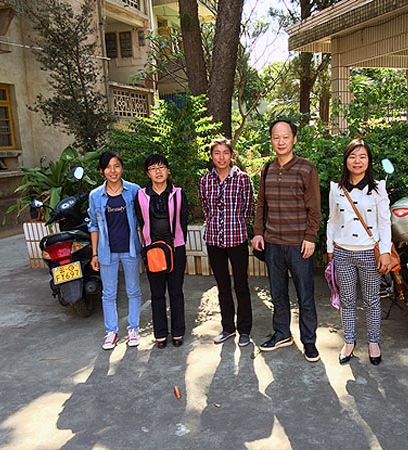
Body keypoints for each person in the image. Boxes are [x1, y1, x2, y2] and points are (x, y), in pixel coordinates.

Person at [251, 119, 322, 362]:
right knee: (277, 293)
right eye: (276, 137)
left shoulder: (306, 168)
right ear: (271, 140)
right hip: (273, 243)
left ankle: (309, 341)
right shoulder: (267, 169)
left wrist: (310, 237)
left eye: (285, 137)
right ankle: (282, 334)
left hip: (299, 245)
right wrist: (258, 232)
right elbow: (261, 204)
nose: (280, 142)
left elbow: (314, 208)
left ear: (294, 139)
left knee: (305, 295)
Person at [326, 139, 393, 366]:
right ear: (346, 160)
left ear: (369, 161)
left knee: (372, 300)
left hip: (368, 253)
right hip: (343, 252)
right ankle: (349, 342)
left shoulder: (378, 188)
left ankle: (373, 342)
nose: (357, 161)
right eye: (353, 156)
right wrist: (330, 250)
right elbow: (332, 221)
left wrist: (385, 251)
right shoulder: (336, 188)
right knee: (347, 300)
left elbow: (385, 223)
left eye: (362, 156)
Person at [198, 138, 254, 347]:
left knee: (241, 285)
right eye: (217, 153)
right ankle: (228, 328)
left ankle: (245, 330)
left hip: (237, 239)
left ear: (232, 155)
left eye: (225, 153)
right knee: (222, 286)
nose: (221, 157)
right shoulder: (205, 180)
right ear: (211, 156)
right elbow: (205, 207)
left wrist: (235, 223)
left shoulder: (242, 179)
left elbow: (248, 208)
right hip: (214, 240)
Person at [88, 152, 142, 350]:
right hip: (106, 252)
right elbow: (93, 226)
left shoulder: (134, 191)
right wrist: (95, 254)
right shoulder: (95, 195)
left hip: (130, 249)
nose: (113, 171)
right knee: (109, 293)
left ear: (122, 168)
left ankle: (133, 328)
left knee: (133, 290)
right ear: (102, 171)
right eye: (108, 167)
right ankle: (111, 331)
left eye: (117, 166)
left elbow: (143, 218)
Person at [135, 154, 188, 349]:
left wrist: (177, 243)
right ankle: (160, 334)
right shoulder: (141, 196)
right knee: (157, 293)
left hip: (175, 248)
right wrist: (148, 245)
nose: (158, 171)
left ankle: (178, 332)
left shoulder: (179, 193)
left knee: (176, 291)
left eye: (161, 167)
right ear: (147, 173)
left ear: (168, 170)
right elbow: (141, 221)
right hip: (153, 250)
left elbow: (183, 221)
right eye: (153, 168)